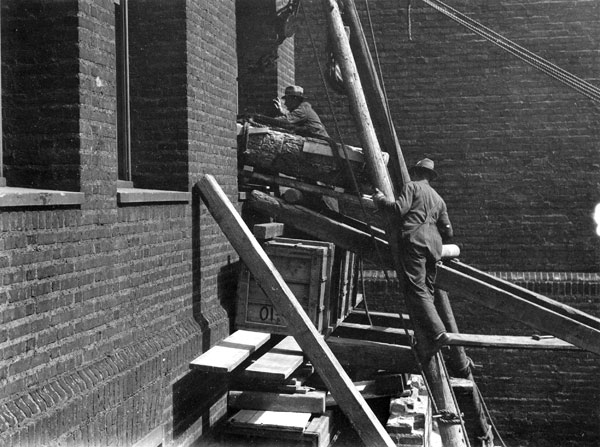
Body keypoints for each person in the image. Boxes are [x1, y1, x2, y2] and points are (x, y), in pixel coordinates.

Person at [372, 158, 453, 354]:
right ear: (430, 177)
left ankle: (439, 332)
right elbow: (449, 231)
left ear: (416, 173)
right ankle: (431, 330)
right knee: (428, 288)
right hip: (435, 246)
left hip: (415, 241)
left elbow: (398, 209)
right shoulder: (439, 199)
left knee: (416, 288)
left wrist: (380, 199)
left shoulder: (412, 187)